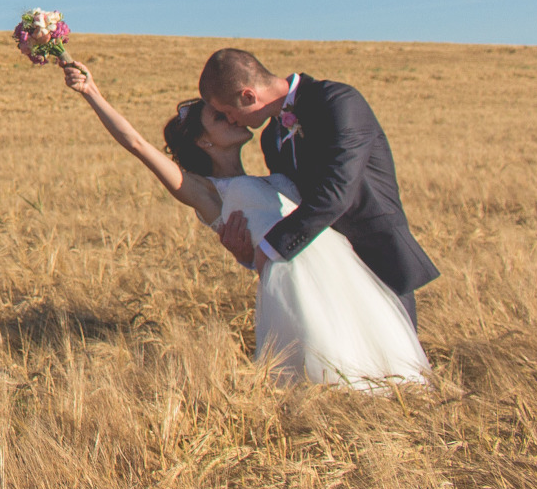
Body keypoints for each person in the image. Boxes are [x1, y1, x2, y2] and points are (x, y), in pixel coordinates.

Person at [62, 58, 429, 389]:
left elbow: (322, 199)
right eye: (220, 119)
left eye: (227, 113)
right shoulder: (207, 193)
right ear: (204, 143)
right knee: (327, 373)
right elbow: (138, 145)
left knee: (382, 364)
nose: (232, 119)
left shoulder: (280, 147)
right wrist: (92, 92)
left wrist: (259, 250)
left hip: (344, 267)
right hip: (297, 284)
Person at [197, 48, 438, 328]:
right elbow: (290, 202)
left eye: (228, 112)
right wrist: (248, 250)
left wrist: (272, 246)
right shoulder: (271, 137)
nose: (231, 121)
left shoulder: (337, 102)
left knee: (398, 363)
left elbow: (337, 192)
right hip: (326, 268)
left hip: (378, 256)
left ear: (248, 96)